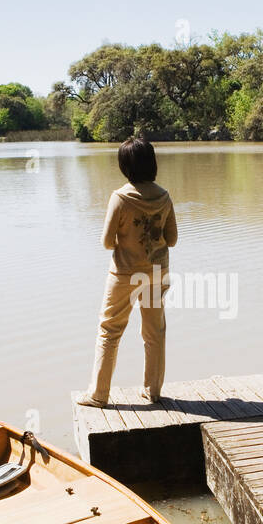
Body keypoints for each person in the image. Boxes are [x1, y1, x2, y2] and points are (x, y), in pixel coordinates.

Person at [76, 135, 178, 407]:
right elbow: (173, 239)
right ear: (152, 163)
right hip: (157, 271)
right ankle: (153, 392)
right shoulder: (164, 196)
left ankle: (98, 395)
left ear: (125, 166)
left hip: (124, 274)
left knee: (109, 330)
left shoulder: (120, 198)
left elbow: (107, 241)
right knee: (155, 332)